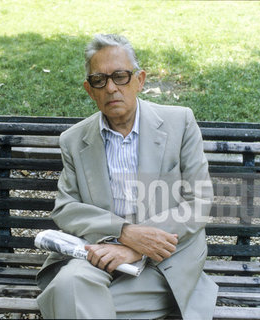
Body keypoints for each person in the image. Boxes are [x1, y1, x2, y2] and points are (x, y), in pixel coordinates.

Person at [36, 34, 218, 319]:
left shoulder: (179, 123)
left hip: (166, 258)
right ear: (89, 89)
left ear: (139, 80)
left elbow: (199, 202)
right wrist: (124, 234)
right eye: (99, 80)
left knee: (69, 302)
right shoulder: (74, 140)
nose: (110, 88)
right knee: (69, 285)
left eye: (120, 76)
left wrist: (138, 248)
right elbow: (66, 208)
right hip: (100, 251)